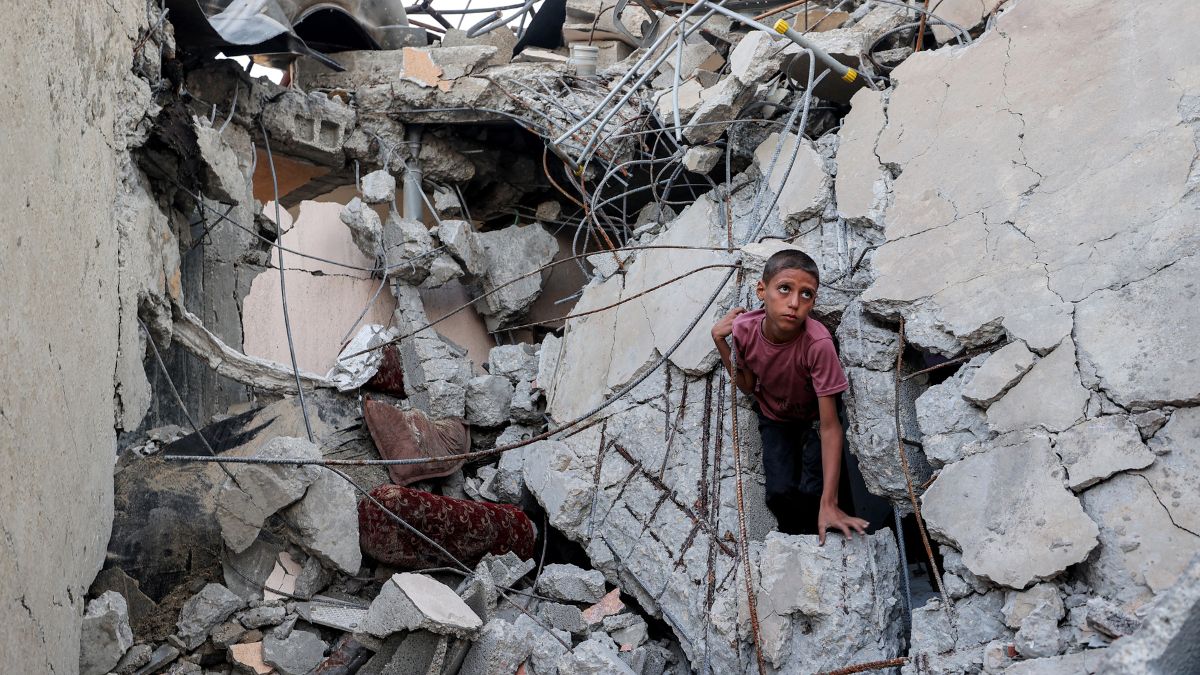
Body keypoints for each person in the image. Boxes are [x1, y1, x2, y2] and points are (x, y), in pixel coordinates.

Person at [711, 249, 869, 544]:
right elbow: (746, 385)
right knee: (779, 493)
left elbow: (830, 425)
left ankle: (834, 528)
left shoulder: (818, 343)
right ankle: (796, 545)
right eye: (784, 289)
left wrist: (829, 501)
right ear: (762, 290)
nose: (794, 303)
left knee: (816, 490)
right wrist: (720, 341)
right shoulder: (744, 330)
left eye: (806, 294)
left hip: (813, 418)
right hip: (775, 415)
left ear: (813, 302)